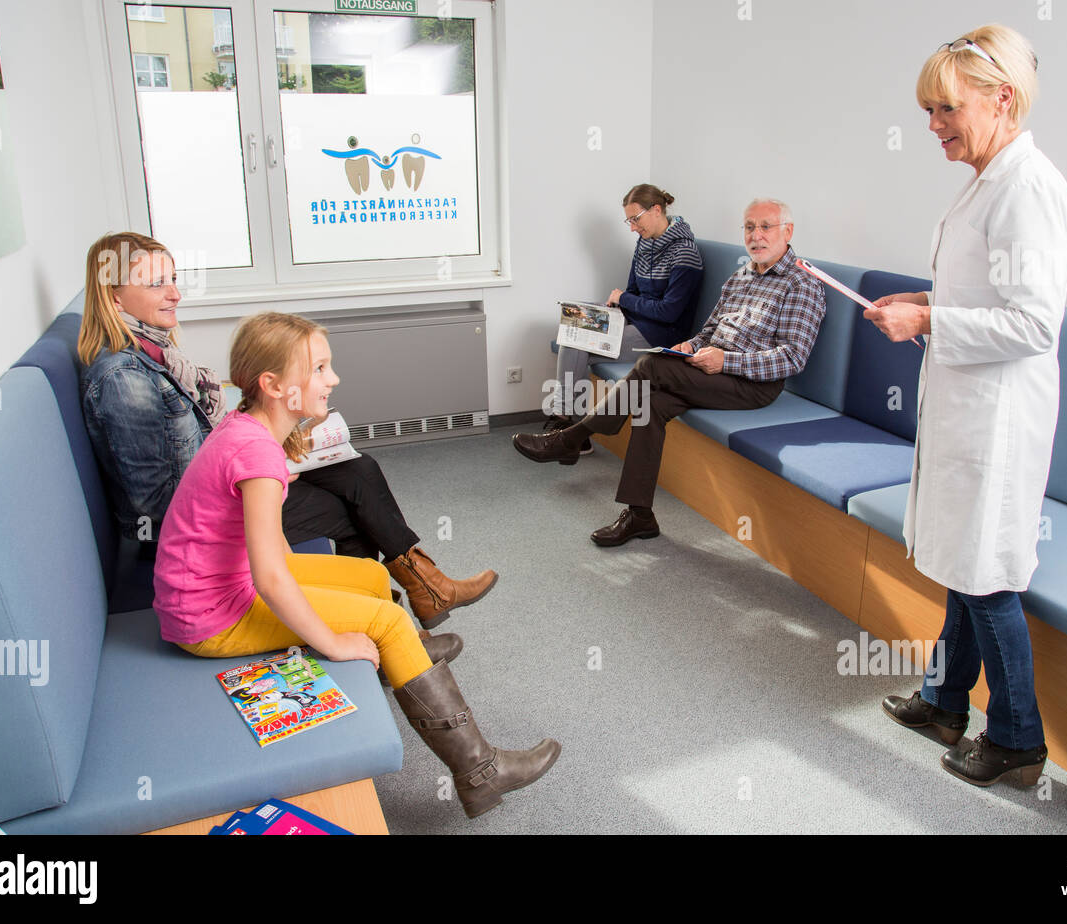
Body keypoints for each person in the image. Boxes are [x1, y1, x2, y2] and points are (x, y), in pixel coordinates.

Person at [151, 310, 560, 818]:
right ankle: (480, 773)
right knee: (387, 617)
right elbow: (270, 577)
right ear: (274, 385)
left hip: (221, 583)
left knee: (369, 574)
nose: (333, 380)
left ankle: (405, 655)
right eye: (320, 369)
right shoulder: (255, 455)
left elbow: (271, 546)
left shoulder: (249, 430)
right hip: (212, 615)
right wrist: (333, 640)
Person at [77, 232, 494, 632]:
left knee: (358, 468)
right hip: (203, 520)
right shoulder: (123, 379)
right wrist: (259, 472)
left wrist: (266, 453)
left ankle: (424, 589)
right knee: (347, 514)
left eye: (172, 280)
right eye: (156, 285)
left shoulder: (156, 349)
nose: (175, 294)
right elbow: (156, 505)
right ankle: (381, 617)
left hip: (229, 476)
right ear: (115, 299)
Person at [869, 25, 1067, 788]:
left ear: (1003, 99)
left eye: (946, 109)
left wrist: (928, 320)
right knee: (962, 557)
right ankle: (945, 700)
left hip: (1000, 416)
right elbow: (987, 295)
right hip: (966, 404)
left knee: (987, 574)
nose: (933, 126)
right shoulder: (988, 179)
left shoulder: (1030, 189)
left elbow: (1034, 323)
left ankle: (1018, 736)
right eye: (929, 110)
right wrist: (925, 300)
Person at [515, 199, 826, 545]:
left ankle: (571, 438)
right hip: (712, 370)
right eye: (750, 227)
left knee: (648, 364)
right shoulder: (741, 275)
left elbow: (793, 358)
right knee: (649, 402)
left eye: (766, 226)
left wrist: (726, 362)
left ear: (788, 231)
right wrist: (690, 346)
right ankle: (639, 516)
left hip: (752, 384)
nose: (756, 235)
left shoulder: (802, 284)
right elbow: (709, 330)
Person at [547, 184, 704, 452]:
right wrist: (613, 308)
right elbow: (631, 291)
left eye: (635, 219)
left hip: (661, 335)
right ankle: (571, 429)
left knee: (576, 344)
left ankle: (568, 427)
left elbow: (669, 312)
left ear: (656, 210)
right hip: (632, 319)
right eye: (629, 221)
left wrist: (624, 300)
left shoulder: (685, 253)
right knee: (573, 327)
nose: (632, 227)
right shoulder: (644, 243)